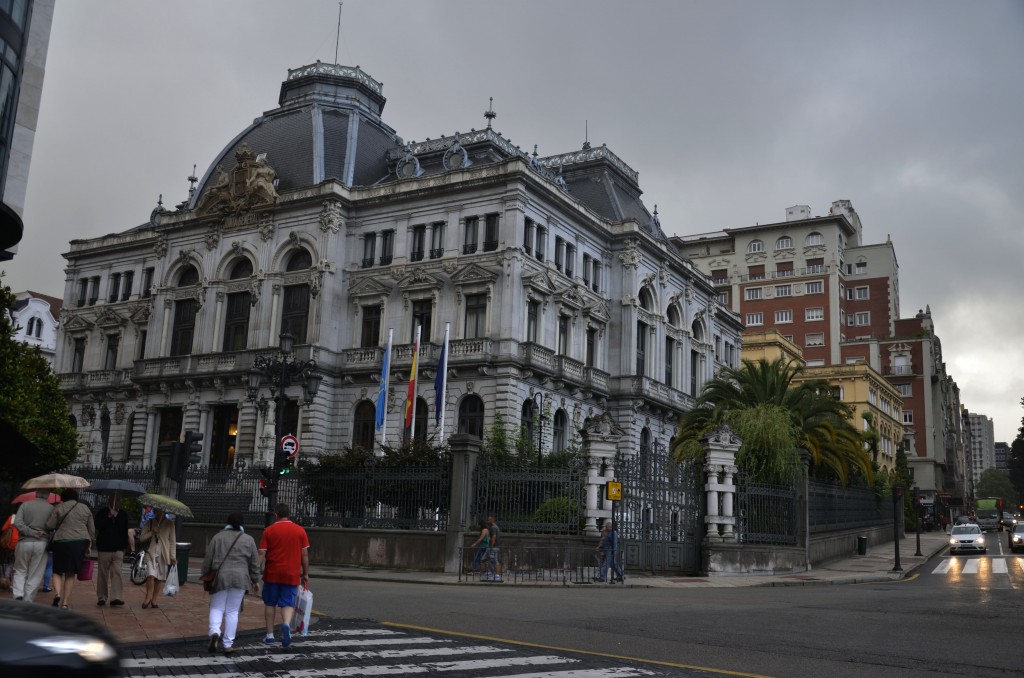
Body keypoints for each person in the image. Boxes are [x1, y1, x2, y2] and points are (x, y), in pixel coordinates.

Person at [202, 512, 261, 655]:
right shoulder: (249, 539)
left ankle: (215, 631)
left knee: (216, 607)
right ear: (242, 524)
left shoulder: (217, 537)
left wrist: (205, 574)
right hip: (241, 579)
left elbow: (208, 559)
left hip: (220, 577)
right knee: (232, 611)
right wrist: (255, 580)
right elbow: (254, 563)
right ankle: (228, 644)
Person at [259, 503, 309, 648]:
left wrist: (256, 571)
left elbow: (262, 553)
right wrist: (305, 573)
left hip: (272, 573)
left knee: (270, 603)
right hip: (292, 573)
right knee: (287, 603)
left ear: (276, 515)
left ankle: (269, 635)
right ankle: (286, 625)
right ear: (289, 514)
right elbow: (304, 554)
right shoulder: (300, 531)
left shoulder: (268, 531)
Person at [45, 488, 95, 609]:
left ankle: (57, 593)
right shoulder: (85, 508)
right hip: (79, 542)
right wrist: (89, 545)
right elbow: (91, 530)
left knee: (57, 570)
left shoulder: (59, 507)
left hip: (61, 541)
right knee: (70, 572)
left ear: (63, 497)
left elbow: (49, 525)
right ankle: (65, 602)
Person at [11, 489, 54, 602]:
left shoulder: (25, 505)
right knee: (35, 573)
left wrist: (31, 532)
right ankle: (28, 600)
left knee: (20, 570)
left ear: (36, 494)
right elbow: (53, 526)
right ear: (48, 496)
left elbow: (18, 523)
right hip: (42, 543)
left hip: (24, 542)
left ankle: (18, 595)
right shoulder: (51, 508)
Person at [93, 493, 130, 607]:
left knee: (117, 573)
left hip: (118, 549)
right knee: (103, 574)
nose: (116, 501)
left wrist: (124, 547)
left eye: (118, 499)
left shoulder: (123, 514)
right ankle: (102, 597)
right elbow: (98, 526)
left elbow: (125, 532)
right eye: (114, 499)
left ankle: (116, 597)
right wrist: (109, 516)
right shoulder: (102, 513)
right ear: (109, 500)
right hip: (104, 548)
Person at [139, 509, 176, 609]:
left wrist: (173, 556)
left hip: (164, 554)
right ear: (155, 512)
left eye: (162, 512)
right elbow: (141, 538)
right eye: (158, 512)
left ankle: (154, 599)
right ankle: (148, 597)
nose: (159, 514)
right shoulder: (150, 522)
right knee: (150, 575)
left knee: (159, 578)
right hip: (151, 553)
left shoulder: (170, 524)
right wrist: (152, 532)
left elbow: (172, 541)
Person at [486, 515, 503, 582]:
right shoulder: (496, 527)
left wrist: (491, 546)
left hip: (494, 546)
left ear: (492, 520)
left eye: (488, 520)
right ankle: (495, 574)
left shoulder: (493, 527)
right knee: (493, 560)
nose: (487, 521)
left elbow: (494, 537)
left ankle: (496, 575)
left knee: (494, 560)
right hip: (496, 546)